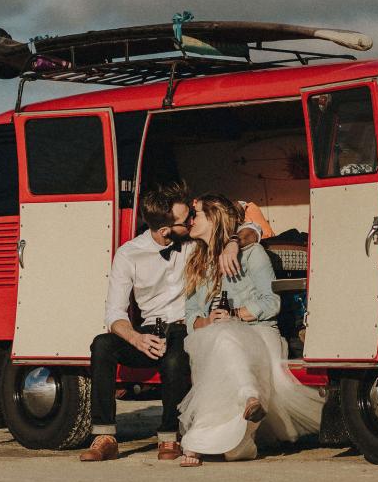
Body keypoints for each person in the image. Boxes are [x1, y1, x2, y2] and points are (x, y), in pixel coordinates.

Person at [79, 183, 260, 462]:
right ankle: (104, 435)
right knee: (101, 345)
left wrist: (234, 241)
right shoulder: (128, 254)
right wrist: (136, 338)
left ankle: (168, 436)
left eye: (191, 216)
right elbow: (114, 313)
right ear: (165, 231)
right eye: (184, 220)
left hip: (184, 325)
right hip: (148, 331)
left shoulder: (192, 243)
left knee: (176, 356)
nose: (191, 221)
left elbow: (251, 225)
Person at [177, 194, 324, 467]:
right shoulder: (196, 262)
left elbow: (273, 302)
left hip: (258, 329)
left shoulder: (251, 253)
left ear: (214, 217)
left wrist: (234, 315)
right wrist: (208, 320)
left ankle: (206, 440)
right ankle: (246, 409)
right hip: (216, 333)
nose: (190, 220)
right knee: (219, 338)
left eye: (196, 214)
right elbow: (190, 315)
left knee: (224, 339)